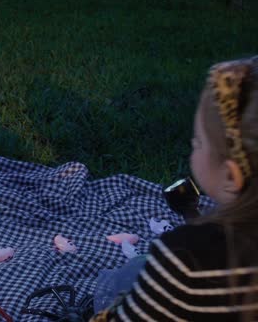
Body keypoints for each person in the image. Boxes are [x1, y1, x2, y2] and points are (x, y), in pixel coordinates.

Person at [92, 56, 258, 321]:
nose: (193, 146)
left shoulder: (185, 257)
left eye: (199, 143)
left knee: (120, 280)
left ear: (230, 175)